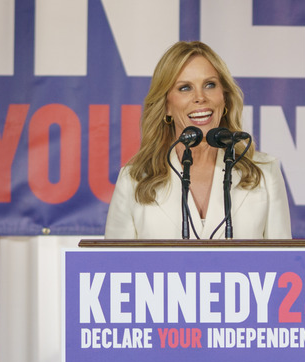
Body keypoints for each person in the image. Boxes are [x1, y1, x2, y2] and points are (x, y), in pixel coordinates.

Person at [104, 41, 292, 239]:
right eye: (185, 88)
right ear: (166, 106)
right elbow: (115, 267)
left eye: (210, 85)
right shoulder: (134, 181)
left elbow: (283, 266)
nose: (200, 97)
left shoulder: (265, 173)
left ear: (224, 98)